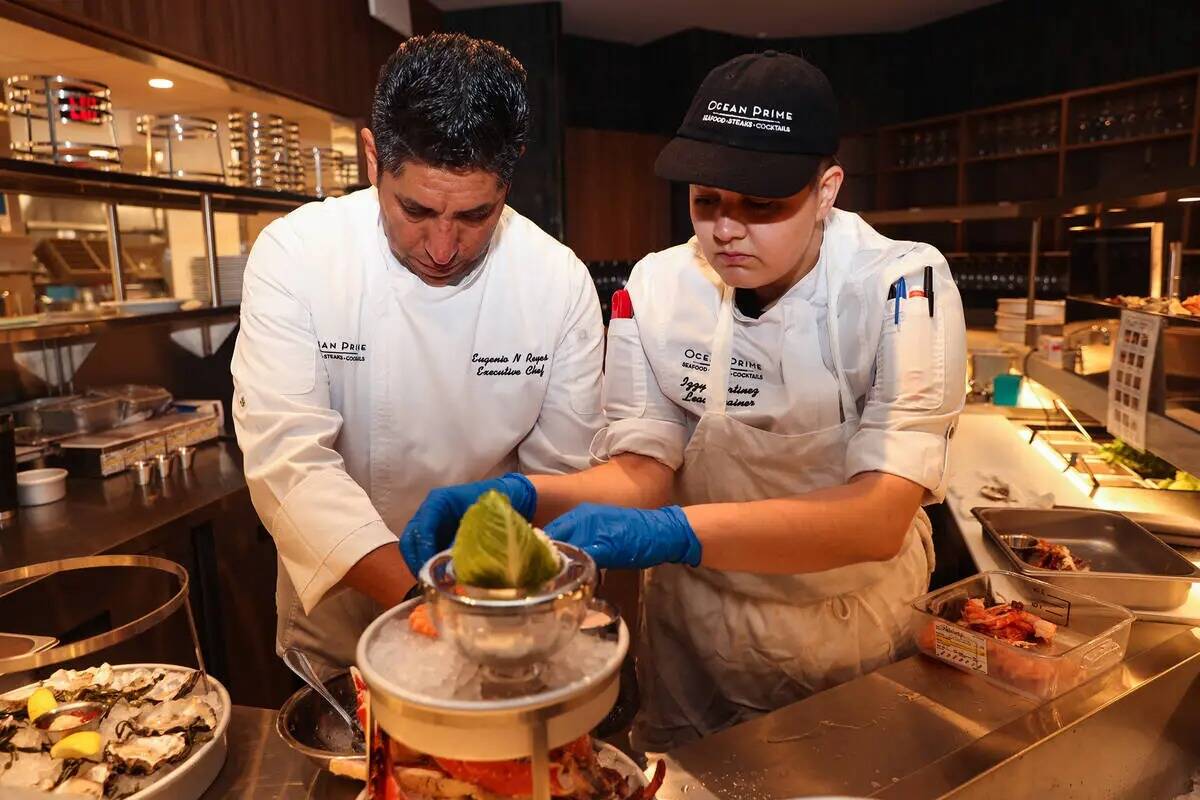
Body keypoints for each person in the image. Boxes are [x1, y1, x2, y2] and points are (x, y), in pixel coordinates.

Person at [402, 50, 967, 750]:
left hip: (842, 631)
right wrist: (519, 498)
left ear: (827, 190)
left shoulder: (902, 289)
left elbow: (880, 516)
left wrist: (678, 533)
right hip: (694, 635)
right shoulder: (658, 286)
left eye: (762, 205)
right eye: (707, 202)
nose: (726, 230)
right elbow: (645, 471)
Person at [231, 33, 604, 676]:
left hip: (497, 605)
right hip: (341, 602)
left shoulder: (556, 281)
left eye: (476, 215)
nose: (442, 246)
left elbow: (560, 480)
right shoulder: (296, 256)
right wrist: (425, 603)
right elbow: (289, 463)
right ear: (372, 156)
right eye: (417, 209)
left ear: (507, 183)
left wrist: (485, 609)